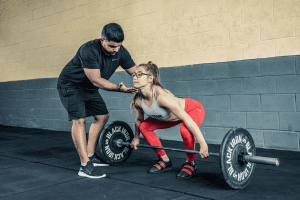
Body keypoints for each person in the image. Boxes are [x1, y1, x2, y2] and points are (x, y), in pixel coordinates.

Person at [57, 23, 139, 179]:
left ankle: (90, 154)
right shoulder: (88, 50)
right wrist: (119, 88)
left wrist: (150, 78)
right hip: (71, 85)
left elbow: (135, 71)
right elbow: (96, 81)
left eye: (118, 46)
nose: (115, 50)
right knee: (79, 120)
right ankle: (85, 165)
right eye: (112, 46)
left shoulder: (120, 51)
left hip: (88, 88)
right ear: (102, 40)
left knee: (102, 117)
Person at [129, 61, 209, 179]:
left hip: (191, 109)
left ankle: (190, 163)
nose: (135, 77)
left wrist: (203, 144)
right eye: (134, 74)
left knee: (185, 129)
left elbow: (186, 118)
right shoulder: (138, 100)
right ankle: (165, 160)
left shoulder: (162, 97)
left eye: (140, 74)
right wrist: (136, 137)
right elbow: (139, 120)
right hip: (169, 117)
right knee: (144, 127)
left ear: (150, 78)